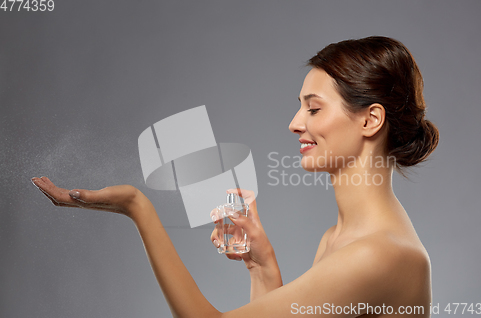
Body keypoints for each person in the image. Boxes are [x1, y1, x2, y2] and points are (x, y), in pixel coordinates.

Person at [32, 36, 439, 317]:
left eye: (313, 108)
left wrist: (137, 207)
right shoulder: (338, 239)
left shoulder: (380, 256)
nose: (295, 123)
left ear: (371, 119)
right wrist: (260, 266)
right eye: (300, 107)